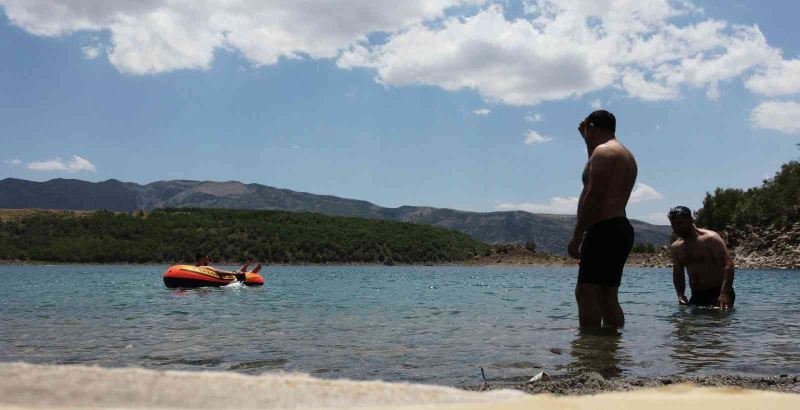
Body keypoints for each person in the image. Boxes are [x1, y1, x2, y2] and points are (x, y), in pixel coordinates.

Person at [569, 110, 638, 328]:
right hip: (619, 228)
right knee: (607, 295)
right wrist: (587, 142)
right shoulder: (622, 153)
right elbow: (593, 173)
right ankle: (609, 350)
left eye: (587, 130)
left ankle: (590, 355)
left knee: (586, 293)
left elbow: (594, 194)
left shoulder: (604, 152)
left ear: (593, 128)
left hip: (603, 229)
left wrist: (577, 235)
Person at [668, 206, 735, 309]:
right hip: (697, 295)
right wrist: (680, 294)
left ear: (691, 220)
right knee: (685, 324)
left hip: (718, 291)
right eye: (673, 224)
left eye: (680, 223)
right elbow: (678, 273)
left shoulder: (710, 239)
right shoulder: (676, 247)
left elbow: (728, 266)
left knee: (717, 323)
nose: (677, 227)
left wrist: (724, 293)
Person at [194, 253, 261, 281]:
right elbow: (218, 271)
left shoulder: (194, 268)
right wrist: (234, 273)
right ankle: (250, 270)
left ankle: (248, 269)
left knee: (239, 273)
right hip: (222, 275)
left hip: (221, 276)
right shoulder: (203, 267)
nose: (208, 261)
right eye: (207, 259)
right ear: (201, 259)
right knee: (238, 273)